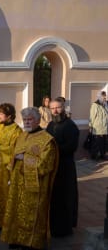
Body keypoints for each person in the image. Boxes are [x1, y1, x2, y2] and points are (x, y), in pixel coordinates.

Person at [1, 107, 58, 250]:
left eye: (30, 119)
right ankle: (15, 238)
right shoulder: (22, 136)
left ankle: (32, 245)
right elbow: (13, 156)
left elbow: (45, 165)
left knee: (31, 215)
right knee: (16, 210)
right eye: (25, 119)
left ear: (38, 120)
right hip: (17, 183)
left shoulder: (47, 140)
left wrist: (24, 158)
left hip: (35, 186)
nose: (26, 122)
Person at [47, 97, 80, 237]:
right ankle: (53, 225)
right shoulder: (50, 124)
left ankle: (65, 228)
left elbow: (71, 147)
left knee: (65, 197)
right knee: (54, 197)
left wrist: (53, 150)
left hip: (65, 167)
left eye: (57, 108)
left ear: (63, 108)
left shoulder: (70, 126)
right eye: (52, 108)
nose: (55, 111)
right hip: (52, 166)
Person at [89, 91, 108, 160]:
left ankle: (103, 155)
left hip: (105, 127)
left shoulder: (106, 104)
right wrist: (90, 126)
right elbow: (92, 116)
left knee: (104, 143)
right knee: (96, 143)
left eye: (105, 95)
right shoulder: (95, 105)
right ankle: (94, 156)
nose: (104, 97)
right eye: (103, 96)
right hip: (97, 128)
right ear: (99, 96)